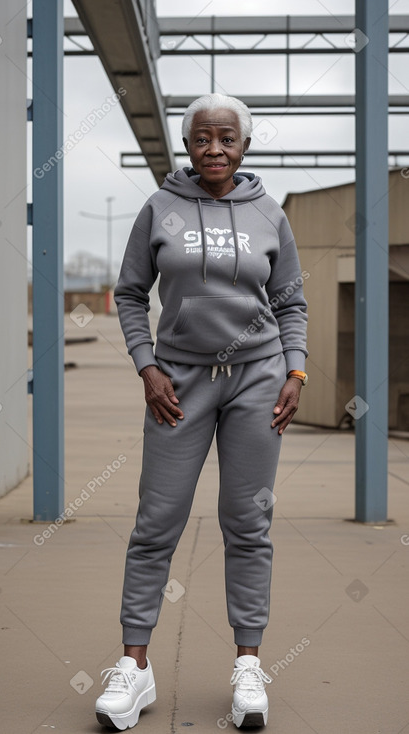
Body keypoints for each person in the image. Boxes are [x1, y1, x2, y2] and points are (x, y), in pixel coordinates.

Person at [95, 93, 308, 730]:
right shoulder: (159, 207)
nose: (214, 149)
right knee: (156, 521)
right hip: (178, 383)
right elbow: (130, 294)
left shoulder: (270, 213)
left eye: (226, 138)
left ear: (244, 145)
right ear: (187, 147)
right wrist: (147, 366)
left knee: (248, 523)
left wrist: (295, 371)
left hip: (259, 379)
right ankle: (134, 668)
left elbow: (291, 301)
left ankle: (248, 667)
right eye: (201, 139)